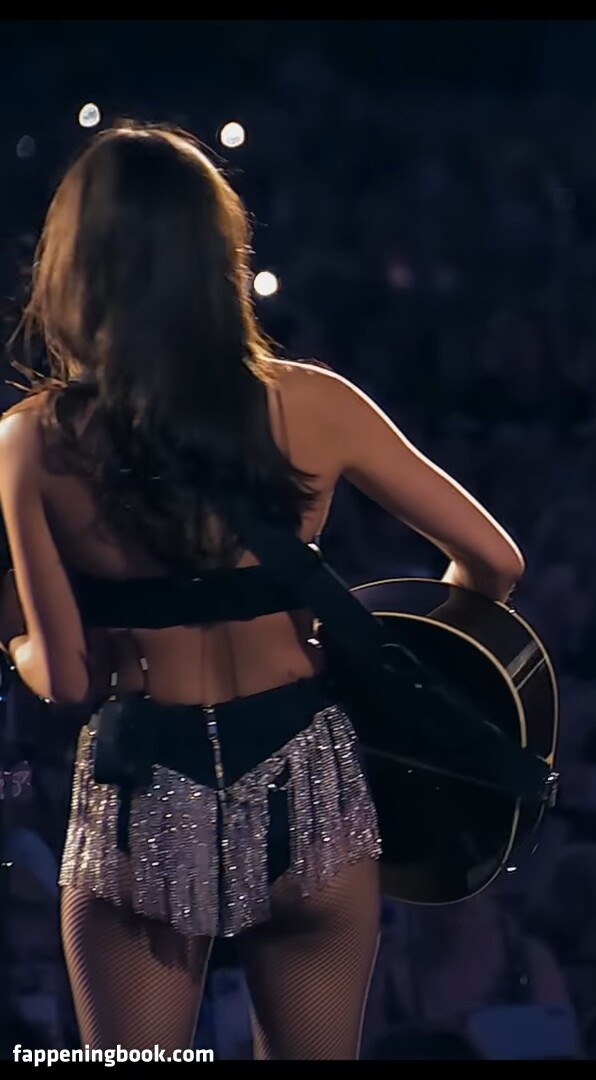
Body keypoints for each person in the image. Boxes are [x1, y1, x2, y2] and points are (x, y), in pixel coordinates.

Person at [0, 123, 525, 1058]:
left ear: (75, 266)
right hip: (308, 790)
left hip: (143, 805)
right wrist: (406, 660)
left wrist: (16, 641)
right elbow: (496, 563)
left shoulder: (34, 442)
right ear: (220, 256)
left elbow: (69, 679)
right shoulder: (315, 404)